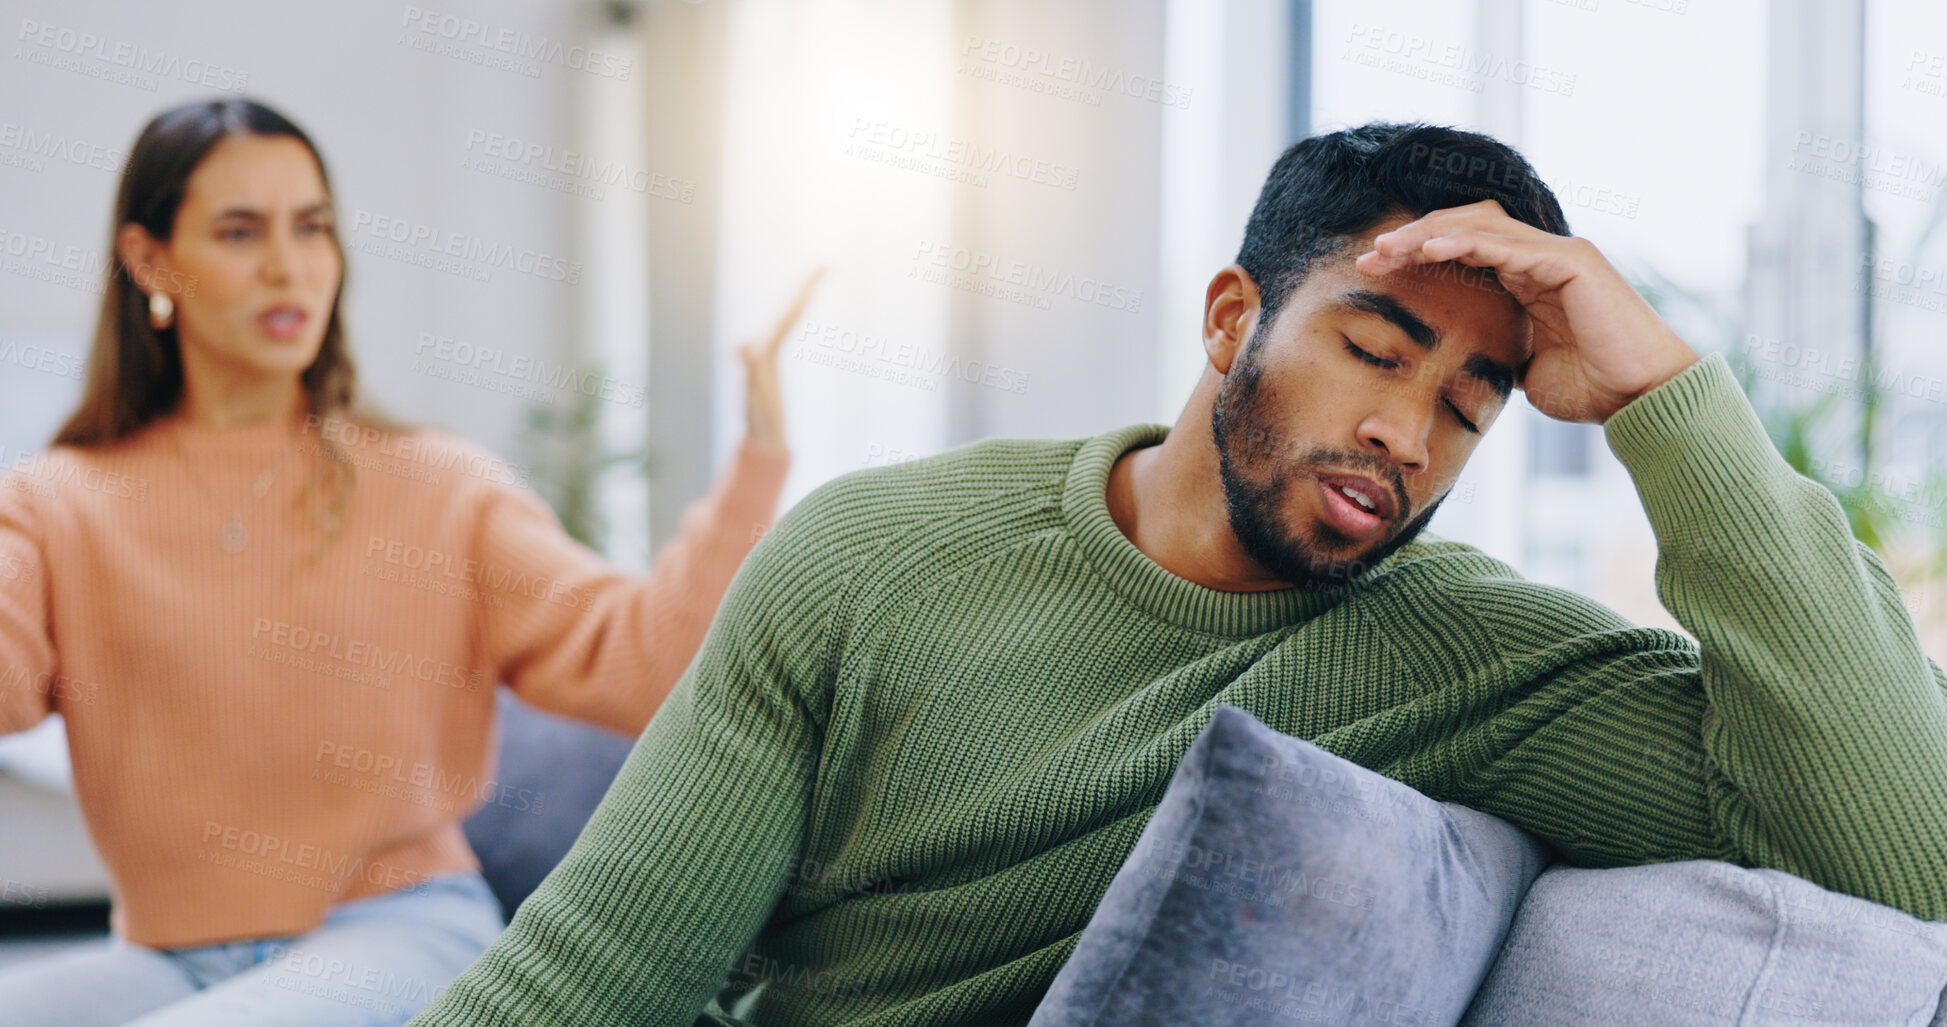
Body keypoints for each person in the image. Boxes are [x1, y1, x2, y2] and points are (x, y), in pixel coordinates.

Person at [402, 120, 1947, 1027]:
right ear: (1231, 320)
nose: (1404, 433)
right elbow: (594, 970)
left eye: (1467, 405)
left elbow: (1909, 860)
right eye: (1372, 348)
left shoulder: (1467, 656)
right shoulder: (870, 555)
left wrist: (1671, 401)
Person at [0, 98, 818, 1026]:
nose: (288, 266)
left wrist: (756, 465)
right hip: (161, 957)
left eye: (312, 229)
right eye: (240, 231)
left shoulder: (437, 486)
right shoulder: (56, 500)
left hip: (401, 933)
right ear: (150, 261)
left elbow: (641, 661)